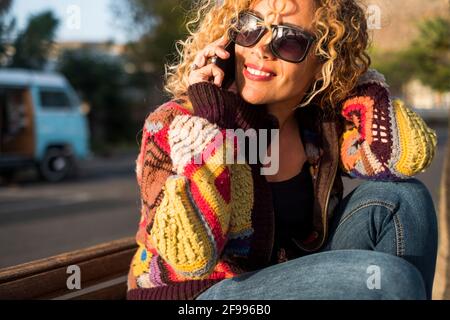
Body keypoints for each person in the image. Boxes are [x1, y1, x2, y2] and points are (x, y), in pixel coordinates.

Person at [127, 0, 438, 300]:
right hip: (202, 294)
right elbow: (192, 255)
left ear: (323, 62)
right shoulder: (175, 122)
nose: (260, 48)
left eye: (289, 40)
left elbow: (402, 158)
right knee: (390, 280)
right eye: (250, 28)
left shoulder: (316, 126)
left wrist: (358, 84)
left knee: (404, 198)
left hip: (285, 278)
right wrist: (214, 118)